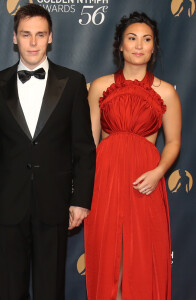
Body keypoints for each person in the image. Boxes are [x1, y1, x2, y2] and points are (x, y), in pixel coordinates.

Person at [0, 4, 95, 300]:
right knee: (10, 289)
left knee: (51, 288)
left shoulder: (72, 82)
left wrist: (81, 200)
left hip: (55, 202)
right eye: (26, 34)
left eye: (40, 34)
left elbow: (84, 148)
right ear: (14, 38)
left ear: (50, 37)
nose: (33, 42)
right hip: (9, 203)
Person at [84, 12, 181, 300]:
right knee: (108, 259)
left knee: (140, 261)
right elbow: (88, 142)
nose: (139, 45)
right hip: (105, 180)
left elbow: (174, 142)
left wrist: (159, 172)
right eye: (132, 38)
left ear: (154, 48)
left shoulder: (166, 92)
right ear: (120, 46)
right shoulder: (99, 87)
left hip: (145, 182)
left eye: (146, 39)